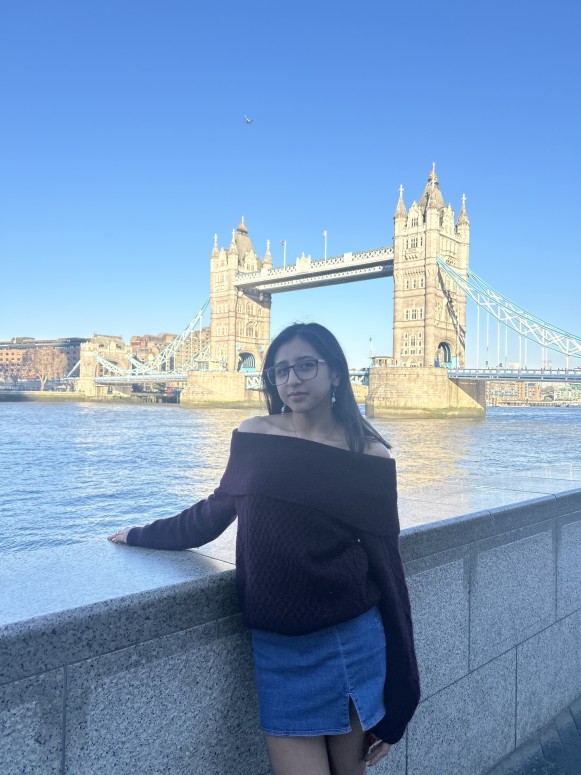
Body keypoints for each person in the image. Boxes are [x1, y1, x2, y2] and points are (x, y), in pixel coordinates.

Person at [108, 322, 420, 775]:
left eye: (306, 366)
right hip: (277, 646)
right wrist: (140, 534)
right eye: (280, 370)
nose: (292, 379)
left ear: (336, 372)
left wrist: (403, 698)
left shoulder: (369, 456)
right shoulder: (254, 435)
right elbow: (213, 513)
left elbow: (388, 568)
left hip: (349, 640)